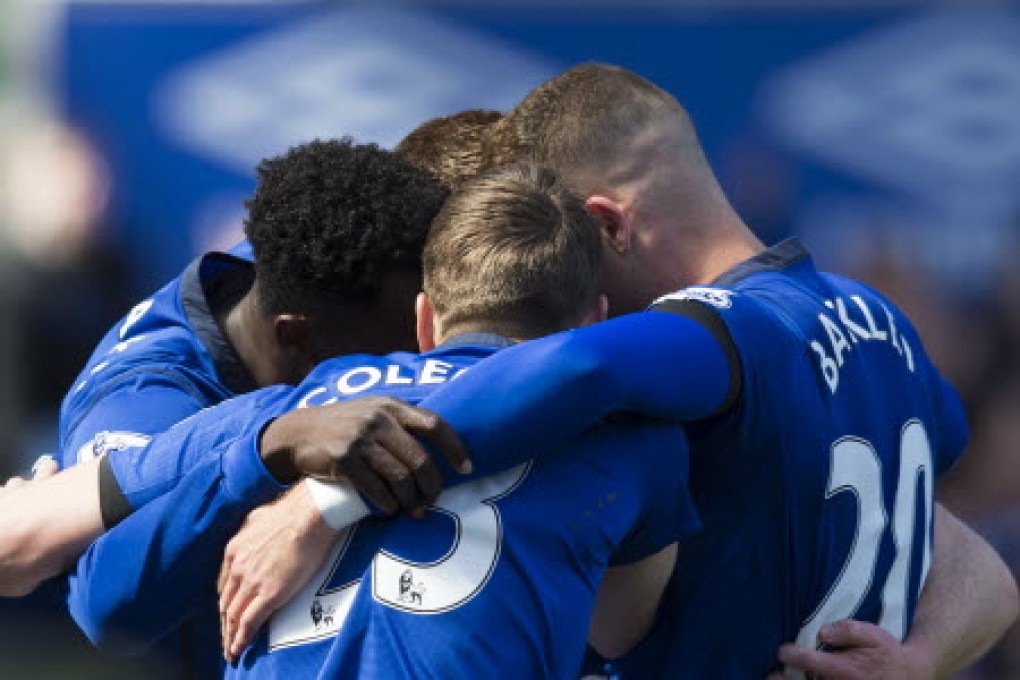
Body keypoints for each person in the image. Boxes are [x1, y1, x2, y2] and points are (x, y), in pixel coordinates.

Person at [222, 63, 1015, 678]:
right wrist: (920, 660)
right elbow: (979, 567)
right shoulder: (884, 330)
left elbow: (577, 369)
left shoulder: (717, 333)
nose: (563, 286)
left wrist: (322, 499)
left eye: (568, 249)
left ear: (607, 224)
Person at [63, 163, 700, 678]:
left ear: (425, 320)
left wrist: (265, 471)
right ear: (597, 318)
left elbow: (104, 601)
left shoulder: (299, 410)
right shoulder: (639, 438)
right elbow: (624, 642)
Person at [0, 137, 458, 678]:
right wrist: (266, 446)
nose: (429, 357)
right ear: (295, 338)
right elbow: (109, 608)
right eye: (402, 347)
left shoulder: (333, 254)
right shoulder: (139, 399)